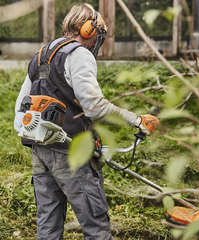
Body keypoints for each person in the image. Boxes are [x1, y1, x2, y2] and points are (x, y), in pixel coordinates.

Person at [14, 3, 159, 240]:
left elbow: (19, 111)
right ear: (88, 30)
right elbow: (95, 107)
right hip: (72, 154)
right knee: (96, 227)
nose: (96, 43)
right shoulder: (78, 54)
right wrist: (137, 120)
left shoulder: (40, 54)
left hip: (40, 153)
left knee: (48, 229)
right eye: (98, 35)